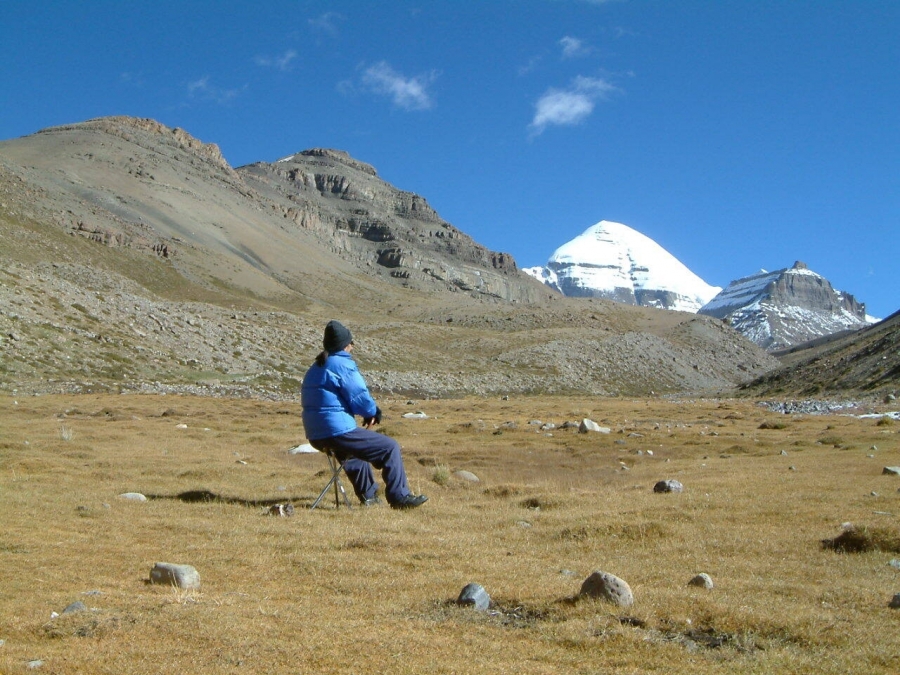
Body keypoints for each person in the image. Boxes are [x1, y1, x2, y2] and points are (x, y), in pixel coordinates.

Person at [301, 320, 428, 510]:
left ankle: (369, 498)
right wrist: (373, 412)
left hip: (316, 435)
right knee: (389, 447)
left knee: (354, 454)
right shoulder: (341, 364)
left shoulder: (317, 366)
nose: (352, 347)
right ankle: (399, 498)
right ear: (345, 345)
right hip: (336, 432)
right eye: (351, 343)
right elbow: (359, 395)